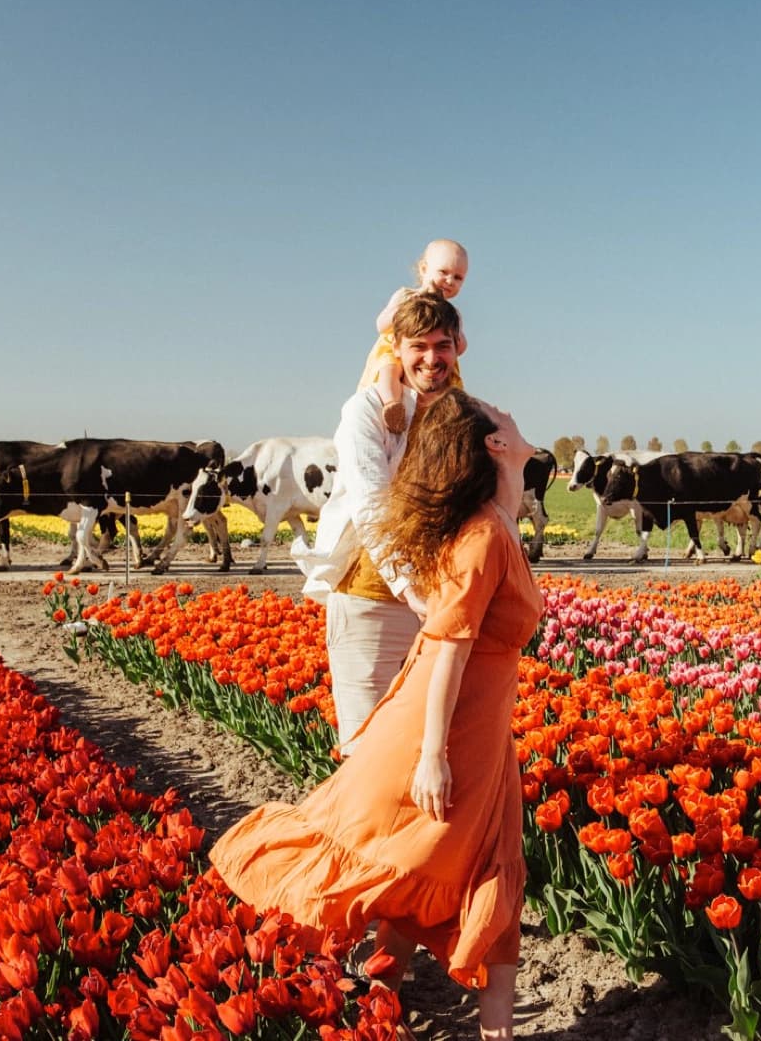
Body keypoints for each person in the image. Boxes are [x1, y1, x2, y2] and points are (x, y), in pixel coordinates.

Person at [211, 388, 543, 1040]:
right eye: (502, 418)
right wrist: (431, 756)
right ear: (495, 446)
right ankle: (279, 993)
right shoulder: (481, 536)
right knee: (379, 855)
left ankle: (400, 1007)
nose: (510, 411)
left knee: (477, 873)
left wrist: (511, 467)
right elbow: (448, 648)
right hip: (439, 730)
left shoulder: (498, 514)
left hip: (480, 732)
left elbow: (506, 506)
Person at [294, 292, 463, 755]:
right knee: (368, 753)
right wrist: (413, 593)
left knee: (427, 753)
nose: (432, 359)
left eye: (442, 346)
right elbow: (373, 508)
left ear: (456, 348)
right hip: (372, 598)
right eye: (419, 347)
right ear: (397, 348)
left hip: (439, 603)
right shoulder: (366, 412)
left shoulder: (460, 415)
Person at [359, 239, 469, 434]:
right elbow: (381, 324)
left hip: (430, 356)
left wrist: (453, 339)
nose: (450, 281)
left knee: (447, 388)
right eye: (443, 272)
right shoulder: (405, 295)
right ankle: (392, 405)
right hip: (396, 346)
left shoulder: (452, 312)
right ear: (424, 269)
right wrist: (408, 309)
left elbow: (461, 346)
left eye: (458, 277)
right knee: (388, 369)